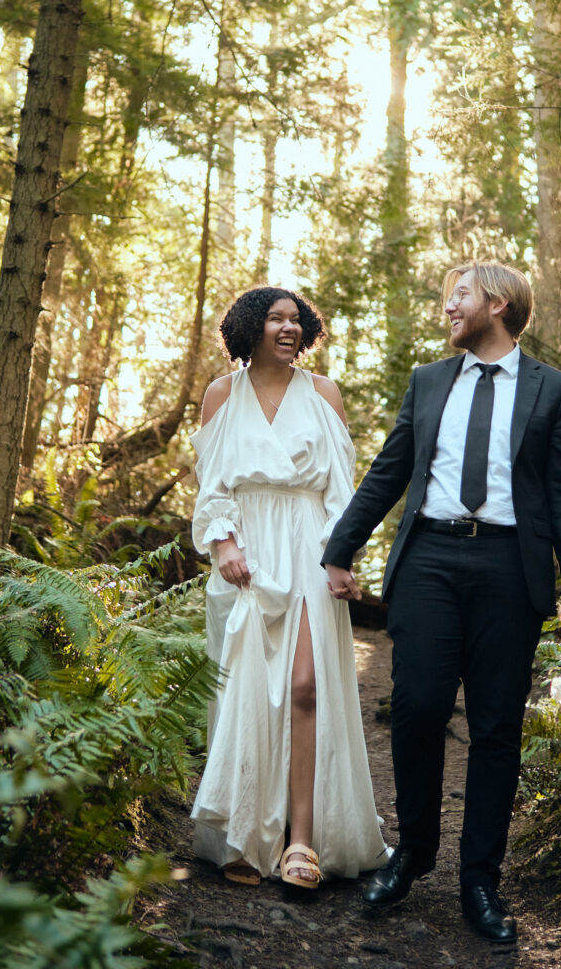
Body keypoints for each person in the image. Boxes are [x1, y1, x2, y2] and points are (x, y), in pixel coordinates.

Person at [323, 261, 561, 941]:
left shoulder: (552, 390)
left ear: (498, 305)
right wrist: (340, 549)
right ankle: (412, 853)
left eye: (461, 296)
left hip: (511, 568)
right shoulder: (427, 382)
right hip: (431, 562)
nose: (449, 307)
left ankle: (481, 880)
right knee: (415, 708)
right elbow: (390, 470)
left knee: (497, 727)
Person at [190, 286, 387, 890]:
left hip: (307, 546)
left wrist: (340, 557)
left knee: (305, 686)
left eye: (296, 319)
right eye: (275, 318)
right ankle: (246, 832)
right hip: (247, 550)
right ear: (249, 327)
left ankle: (302, 840)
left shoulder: (323, 393)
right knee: (249, 690)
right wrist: (224, 543)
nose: (288, 328)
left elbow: (341, 493)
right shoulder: (222, 394)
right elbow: (213, 485)